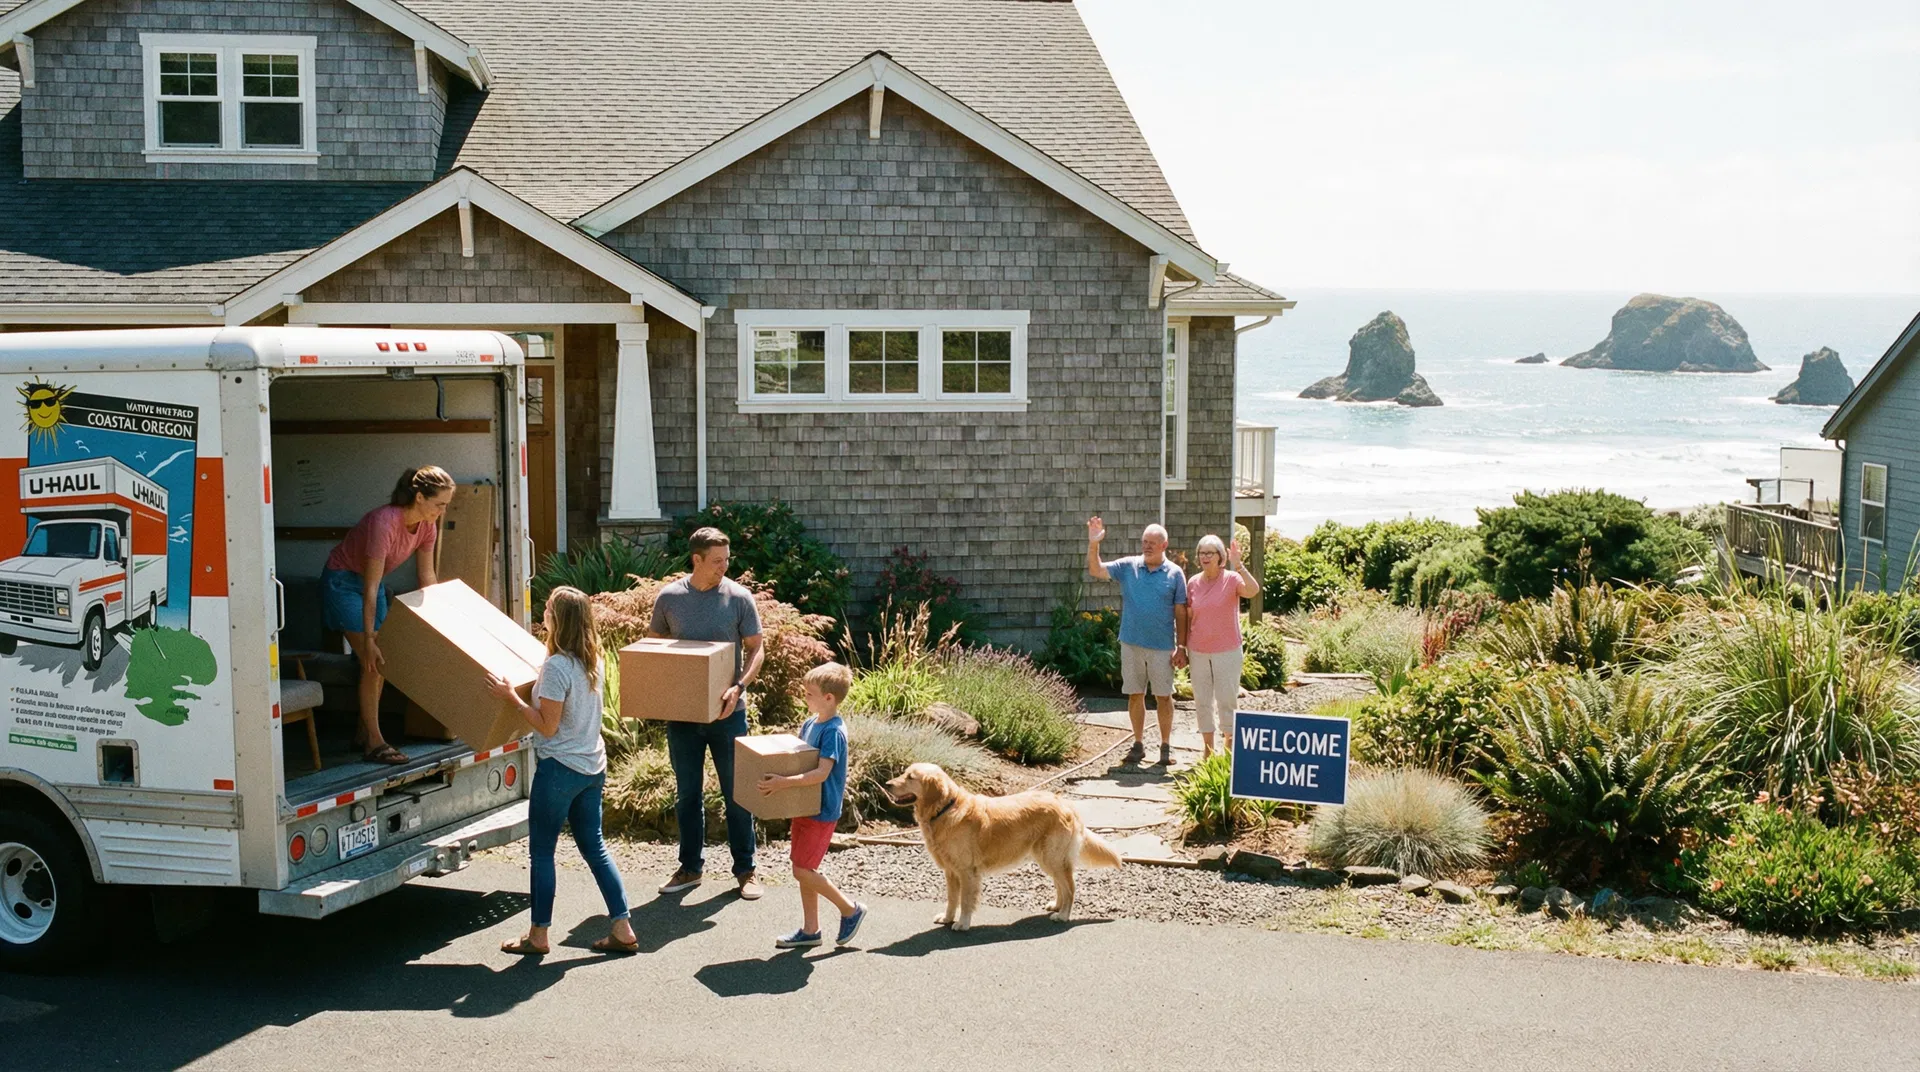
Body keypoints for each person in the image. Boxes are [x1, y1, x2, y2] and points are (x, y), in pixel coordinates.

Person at [489, 586, 637, 956]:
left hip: (559, 771)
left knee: (541, 853)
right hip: (591, 767)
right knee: (595, 847)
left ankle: (538, 936)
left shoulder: (557, 667)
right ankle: (622, 926)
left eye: (549, 609)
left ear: (560, 619)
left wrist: (513, 699)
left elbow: (547, 725)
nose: (544, 613)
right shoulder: (592, 661)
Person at [648, 527, 767, 900]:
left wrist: (740, 686)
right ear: (696, 559)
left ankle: (746, 871)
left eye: (727, 560)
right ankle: (689, 868)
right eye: (717, 561)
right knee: (687, 795)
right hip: (682, 717)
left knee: (737, 795)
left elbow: (757, 649)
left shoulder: (738, 597)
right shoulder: (669, 598)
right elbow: (654, 649)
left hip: (728, 714)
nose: (724, 567)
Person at [321, 464, 455, 765]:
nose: (442, 512)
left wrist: (446, 623)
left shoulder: (427, 527)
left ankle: (363, 732)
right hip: (344, 582)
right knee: (374, 660)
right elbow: (368, 588)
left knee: (381, 660)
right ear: (419, 497)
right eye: (439, 504)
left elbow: (427, 577)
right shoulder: (384, 522)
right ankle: (374, 742)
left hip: (374, 585)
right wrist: (368, 637)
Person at [759, 661, 867, 949]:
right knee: (801, 866)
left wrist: (783, 782)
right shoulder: (810, 723)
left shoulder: (833, 731)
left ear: (828, 698)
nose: (804, 697)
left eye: (809, 693)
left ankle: (849, 909)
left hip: (822, 810)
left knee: (802, 870)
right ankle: (811, 930)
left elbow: (821, 773)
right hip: (804, 806)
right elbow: (797, 756)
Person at [1086, 516, 1189, 766]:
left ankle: (1165, 746)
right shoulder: (1129, 566)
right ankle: (1138, 743)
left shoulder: (1175, 574)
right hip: (1131, 643)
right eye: (1144, 541)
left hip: (1162, 646)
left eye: (1153, 542)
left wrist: (1182, 647)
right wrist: (1093, 544)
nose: (1147, 546)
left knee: (1164, 696)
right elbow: (1096, 569)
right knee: (1135, 695)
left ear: (1164, 545)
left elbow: (1181, 612)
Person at [1187, 534, 1259, 760]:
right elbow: (1189, 616)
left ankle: (1229, 750)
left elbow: (1253, 590)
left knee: (1227, 698)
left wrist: (1239, 565)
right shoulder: (1193, 582)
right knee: (1202, 700)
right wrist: (1181, 646)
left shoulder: (1231, 579)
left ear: (1221, 557)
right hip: (1198, 650)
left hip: (1227, 651)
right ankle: (1208, 750)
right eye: (1202, 553)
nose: (1205, 557)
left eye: (1210, 553)